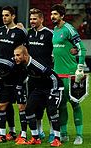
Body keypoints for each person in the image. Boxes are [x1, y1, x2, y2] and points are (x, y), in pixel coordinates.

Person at [14, 45, 64, 147]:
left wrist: (54, 91)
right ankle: (35, 138)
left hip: (53, 87)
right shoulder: (22, 64)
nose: (15, 57)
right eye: (14, 55)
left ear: (25, 55)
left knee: (52, 110)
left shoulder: (36, 64)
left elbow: (53, 76)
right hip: (39, 89)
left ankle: (57, 138)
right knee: (28, 109)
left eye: (18, 55)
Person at [51, 4, 87, 145]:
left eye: (55, 14)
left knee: (75, 104)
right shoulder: (54, 30)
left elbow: (82, 49)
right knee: (61, 106)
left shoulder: (69, 29)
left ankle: (79, 136)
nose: (52, 16)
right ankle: (64, 134)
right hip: (58, 76)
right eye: (51, 14)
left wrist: (80, 68)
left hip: (71, 75)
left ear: (62, 15)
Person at [0, 6, 29, 140]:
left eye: (7, 15)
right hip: (3, 76)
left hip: (18, 75)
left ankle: (23, 134)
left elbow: (26, 51)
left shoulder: (20, 33)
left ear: (13, 16)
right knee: (2, 105)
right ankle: (3, 134)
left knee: (21, 106)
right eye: (3, 15)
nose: (4, 17)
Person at [27, 8, 54, 142]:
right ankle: (39, 131)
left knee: (50, 107)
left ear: (41, 19)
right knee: (34, 106)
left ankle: (53, 133)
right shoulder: (29, 33)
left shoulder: (49, 34)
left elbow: (57, 49)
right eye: (31, 19)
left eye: (34, 19)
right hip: (32, 77)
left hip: (46, 77)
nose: (32, 21)